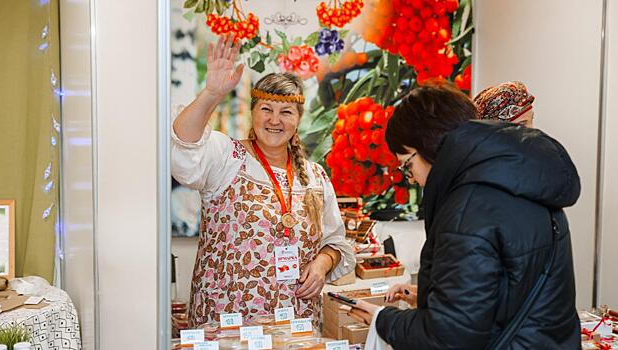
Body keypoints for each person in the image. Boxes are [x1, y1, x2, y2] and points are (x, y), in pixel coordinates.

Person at [348, 82, 581, 349]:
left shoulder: (467, 210)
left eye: (407, 165)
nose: (412, 180)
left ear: (429, 146)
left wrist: (383, 319)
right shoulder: (525, 181)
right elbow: (508, 294)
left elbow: (449, 338)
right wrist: (434, 299)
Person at [171, 34, 355, 326]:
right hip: (228, 322)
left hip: (296, 319)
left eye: (286, 112)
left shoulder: (315, 176)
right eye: (266, 109)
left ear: (298, 119)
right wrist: (212, 93)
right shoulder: (226, 157)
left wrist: (322, 264)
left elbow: (335, 242)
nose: (274, 120)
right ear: (253, 113)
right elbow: (183, 144)